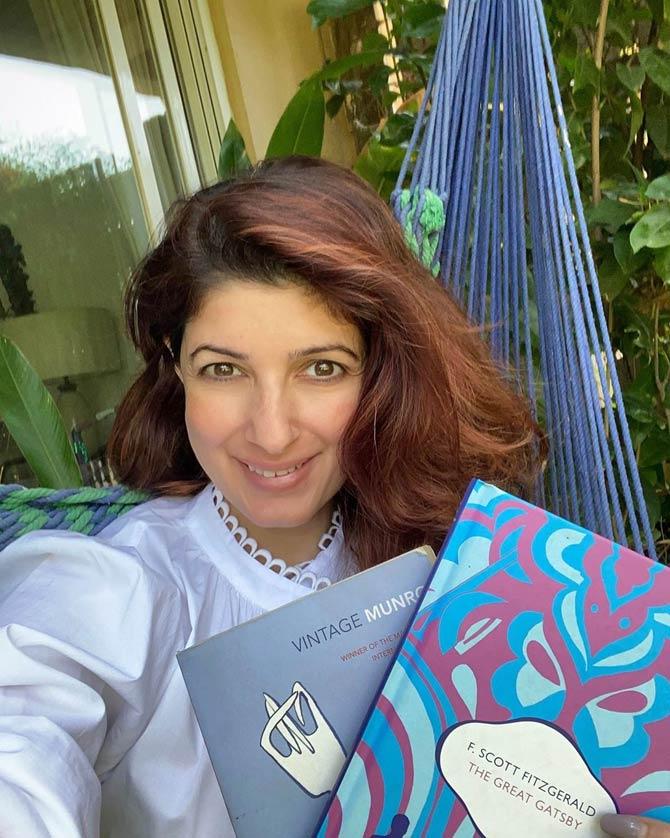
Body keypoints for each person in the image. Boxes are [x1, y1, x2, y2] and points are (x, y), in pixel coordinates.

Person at [0, 157, 665, 838]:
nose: (272, 430)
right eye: (223, 369)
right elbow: (22, 736)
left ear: (382, 374)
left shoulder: (469, 572)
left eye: (322, 368)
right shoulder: (117, 590)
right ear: (176, 372)